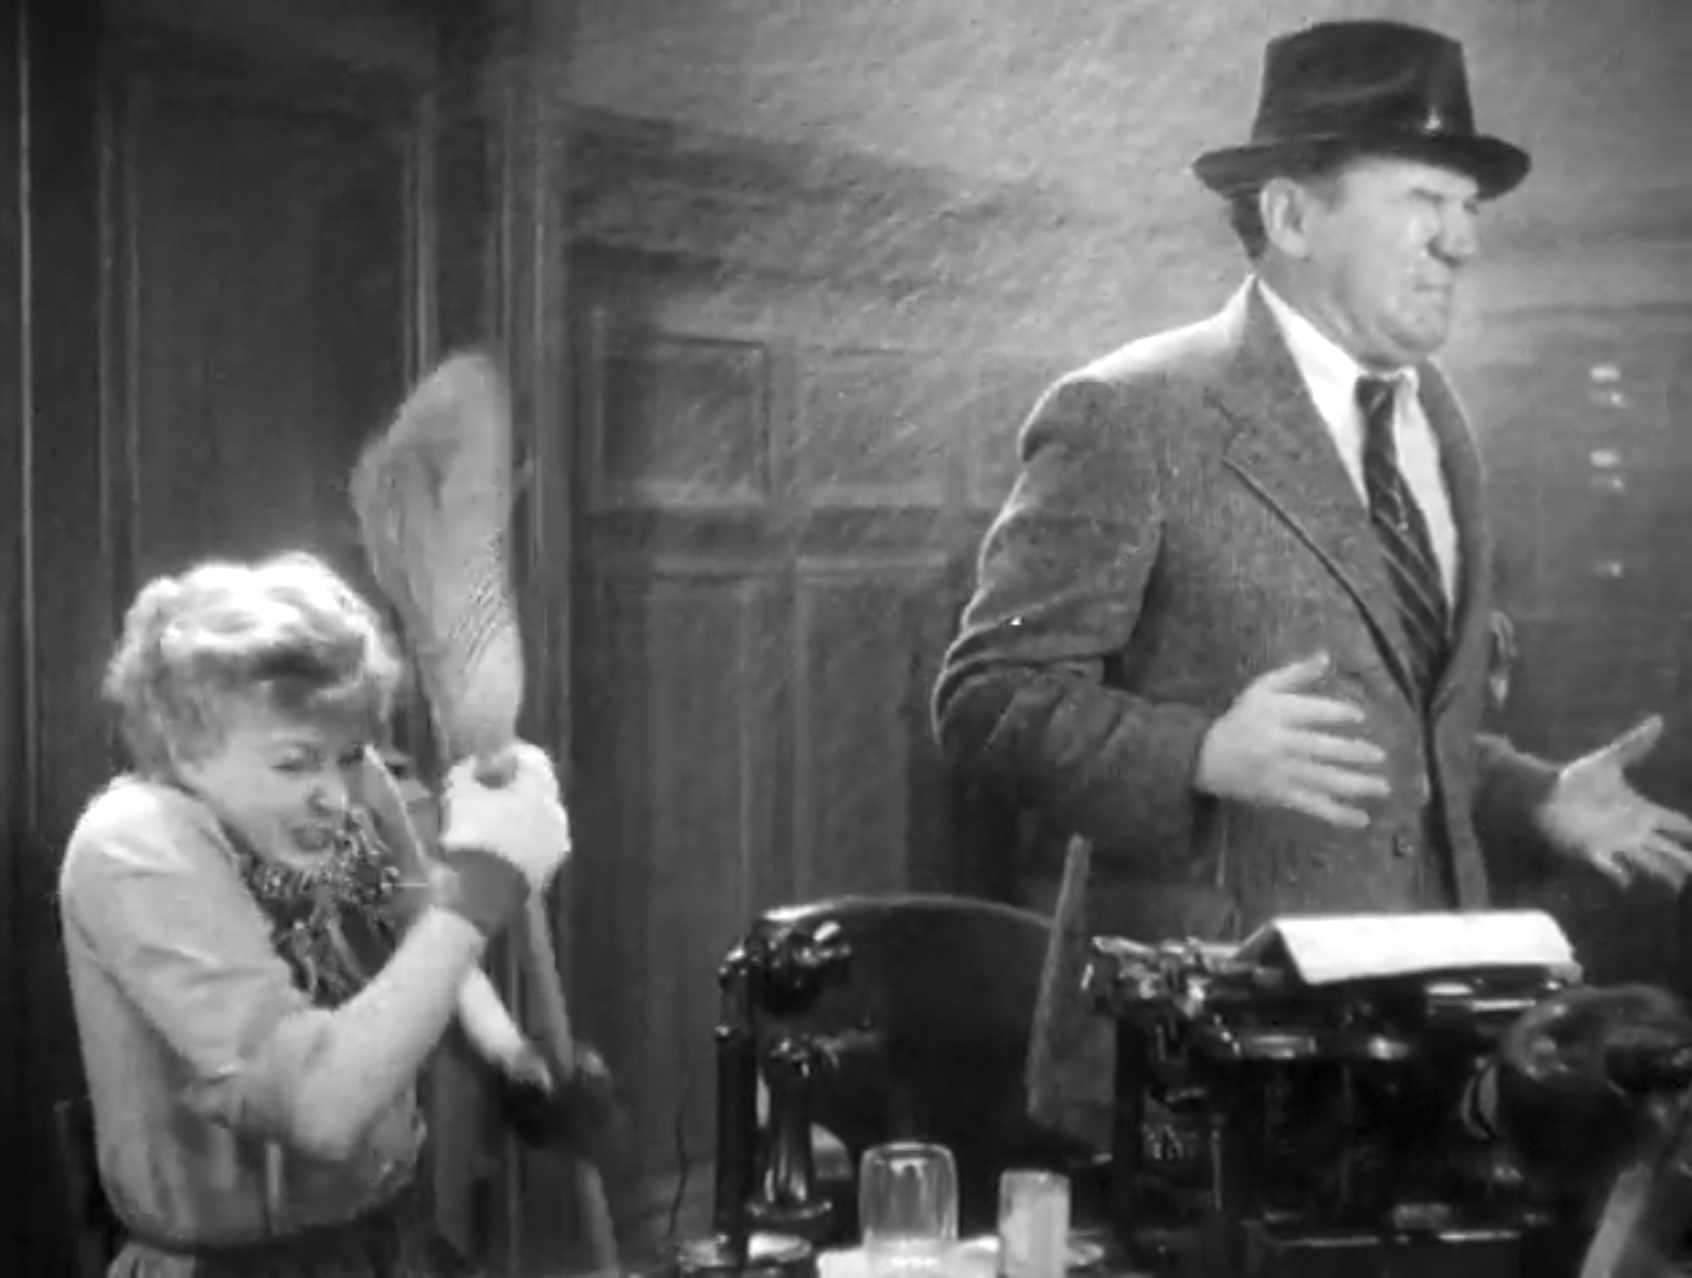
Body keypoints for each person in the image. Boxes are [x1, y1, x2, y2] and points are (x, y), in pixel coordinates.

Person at [933, 20, 1692, 948]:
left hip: (1427, 999)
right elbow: (986, 700)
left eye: (1469, 208)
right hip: (1211, 1011)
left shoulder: (1436, 419)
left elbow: (1395, 728)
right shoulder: (1129, 414)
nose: (1461, 242)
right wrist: (1201, 755)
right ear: (1291, 217)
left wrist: (1537, 798)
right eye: (1424, 199)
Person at [58, 551, 578, 1277]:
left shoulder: (357, 788)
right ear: (185, 746)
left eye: (348, 754)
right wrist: (486, 881)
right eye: (294, 763)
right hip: (235, 1267)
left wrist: (509, 1056)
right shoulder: (136, 844)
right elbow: (318, 1110)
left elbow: (424, 933)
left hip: (393, 1234)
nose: (336, 795)